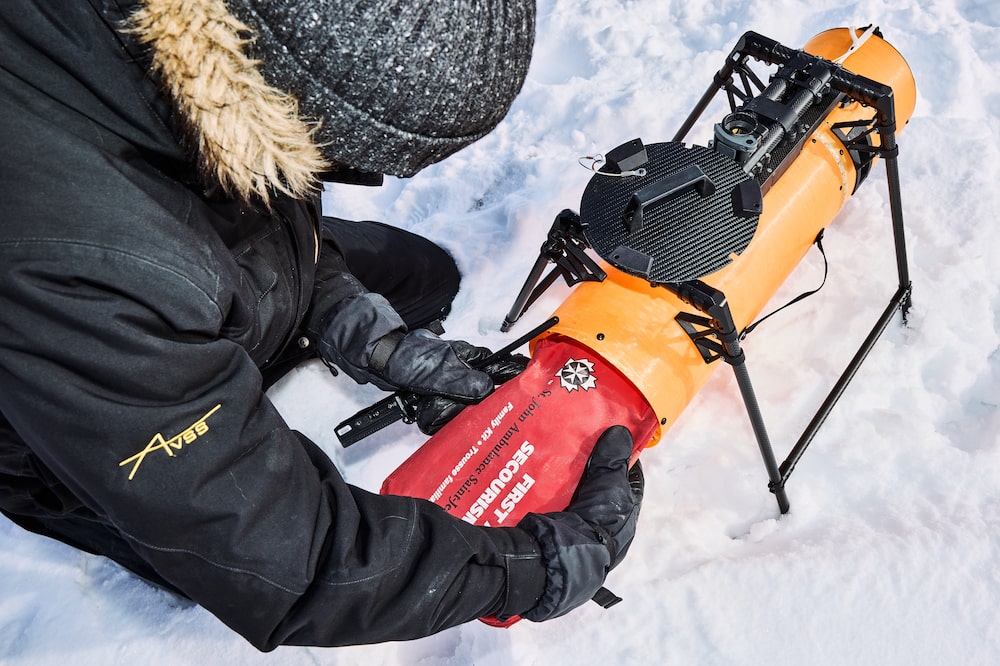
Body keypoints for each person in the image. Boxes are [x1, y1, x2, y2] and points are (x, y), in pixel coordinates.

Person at [0, 0, 643, 650]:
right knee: (213, 560)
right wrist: (532, 569)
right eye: (352, 155)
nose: (371, 176)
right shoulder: (82, 267)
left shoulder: (228, 60)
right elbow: (295, 559)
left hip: (173, 264)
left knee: (427, 275)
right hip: (56, 421)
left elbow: (259, 220)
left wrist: (373, 336)